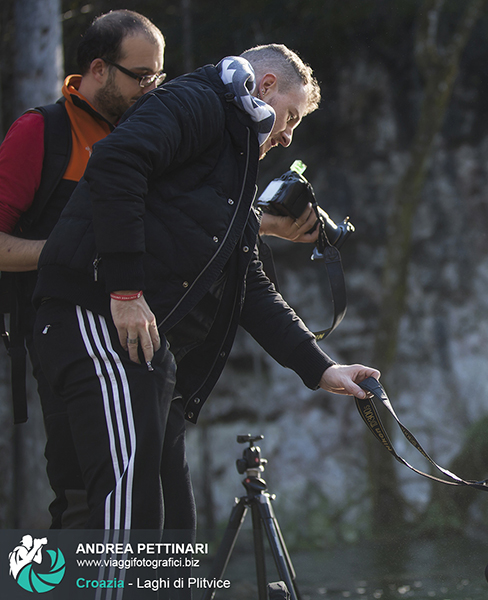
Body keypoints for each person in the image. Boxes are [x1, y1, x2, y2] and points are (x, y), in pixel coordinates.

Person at [31, 44, 380, 534]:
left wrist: (321, 367)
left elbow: (250, 284)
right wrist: (126, 292)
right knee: (123, 512)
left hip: (146, 344)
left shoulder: (236, 160)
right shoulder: (198, 100)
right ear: (266, 87)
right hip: (95, 317)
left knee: (173, 522)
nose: (287, 137)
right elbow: (116, 162)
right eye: (292, 118)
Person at [0, 9, 165, 529]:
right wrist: (67, 252)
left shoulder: (150, 131)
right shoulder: (40, 132)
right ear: (98, 69)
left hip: (140, 341)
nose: (151, 88)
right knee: (84, 500)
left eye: (158, 76)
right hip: (65, 339)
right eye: (141, 76)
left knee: (144, 499)